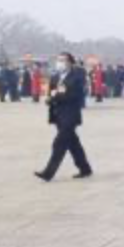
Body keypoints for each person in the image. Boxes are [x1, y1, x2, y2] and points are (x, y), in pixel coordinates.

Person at [34, 52, 93, 181]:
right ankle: (85, 169)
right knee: (73, 144)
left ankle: (48, 173)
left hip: (71, 114)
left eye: (63, 60)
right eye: (58, 60)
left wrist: (56, 97)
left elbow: (75, 94)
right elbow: (51, 92)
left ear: (70, 62)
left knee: (59, 143)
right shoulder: (55, 77)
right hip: (58, 114)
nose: (60, 62)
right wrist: (50, 98)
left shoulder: (77, 76)